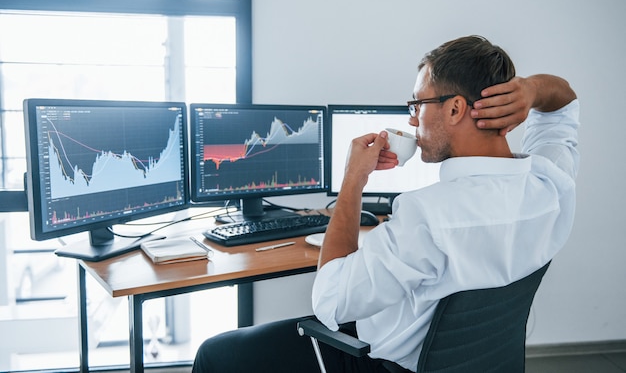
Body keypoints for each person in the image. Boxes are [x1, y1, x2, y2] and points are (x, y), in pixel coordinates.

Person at [191, 35, 579, 373]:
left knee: (215, 354)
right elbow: (562, 109)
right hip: (481, 362)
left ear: (456, 108)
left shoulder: (427, 217)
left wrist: (353, 181)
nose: (412, 121)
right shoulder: (549, 184)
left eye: (417, 104)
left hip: (380, 365)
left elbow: (330, 301)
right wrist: (531, 89)